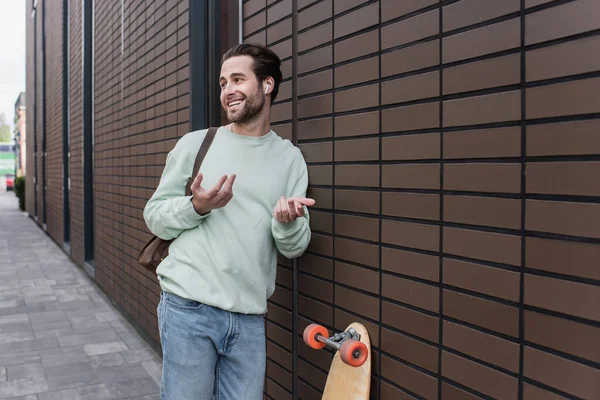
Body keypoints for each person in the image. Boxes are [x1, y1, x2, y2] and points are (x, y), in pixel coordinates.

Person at [143, 43, 314, 399]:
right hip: (188, 308)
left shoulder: (289, 159)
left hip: (249, 317)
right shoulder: (196, 145)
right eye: (223, 83)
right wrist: (197, 207)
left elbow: (294, 247)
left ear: (267, 85)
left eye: (238, 79)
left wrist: (286, 222)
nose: (228, 91)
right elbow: (155, 218)